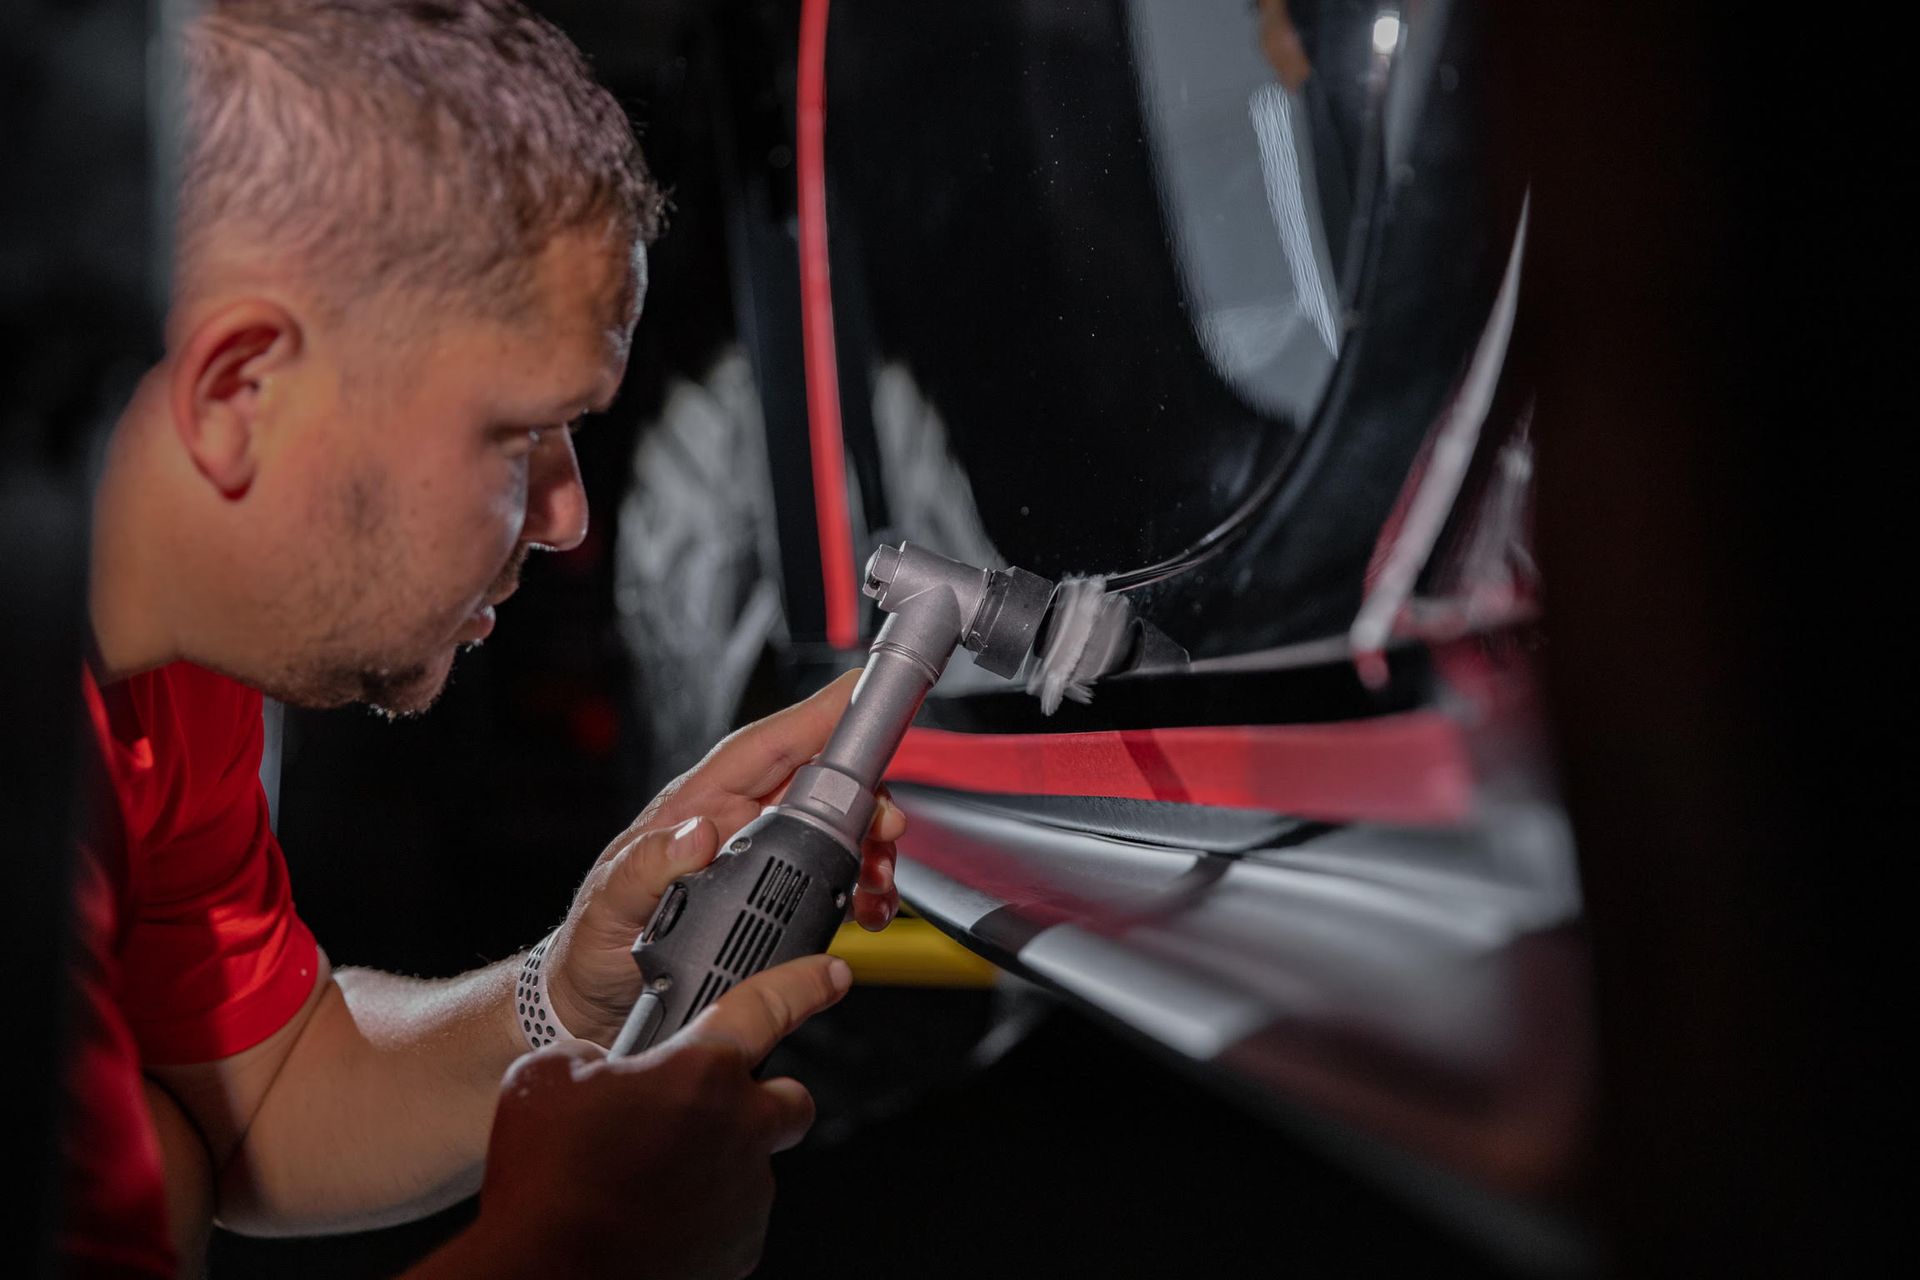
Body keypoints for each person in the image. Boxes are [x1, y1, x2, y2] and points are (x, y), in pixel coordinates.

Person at [64, 2, 904, 1276]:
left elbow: (269, 1093)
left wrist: (565, 995)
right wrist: (577, 1248)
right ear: (241, 391)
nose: (568, 520)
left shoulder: (173, 667)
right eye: (521, 435)